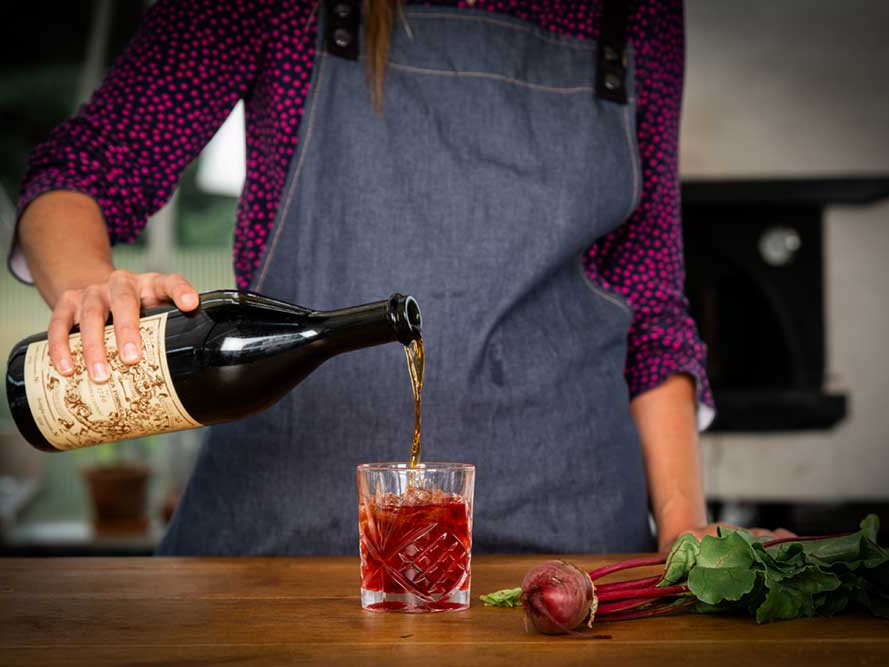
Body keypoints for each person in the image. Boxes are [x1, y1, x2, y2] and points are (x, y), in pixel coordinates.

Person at [11, 0, 789, 554]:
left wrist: (684, 525)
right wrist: (87, 280)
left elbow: (648, 304)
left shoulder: (632, 12)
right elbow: (87, 168)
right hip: (276, 553)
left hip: (570, 563)